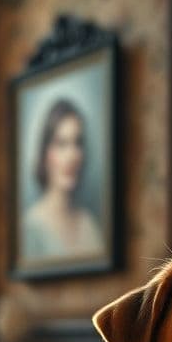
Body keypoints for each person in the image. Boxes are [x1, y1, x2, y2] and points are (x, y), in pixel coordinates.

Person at [22, 98, 104, 265]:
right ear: (45, 153)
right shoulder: (30, 226)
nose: (72, 155)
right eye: (61, 144)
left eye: (77, 143)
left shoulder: (88, 223)